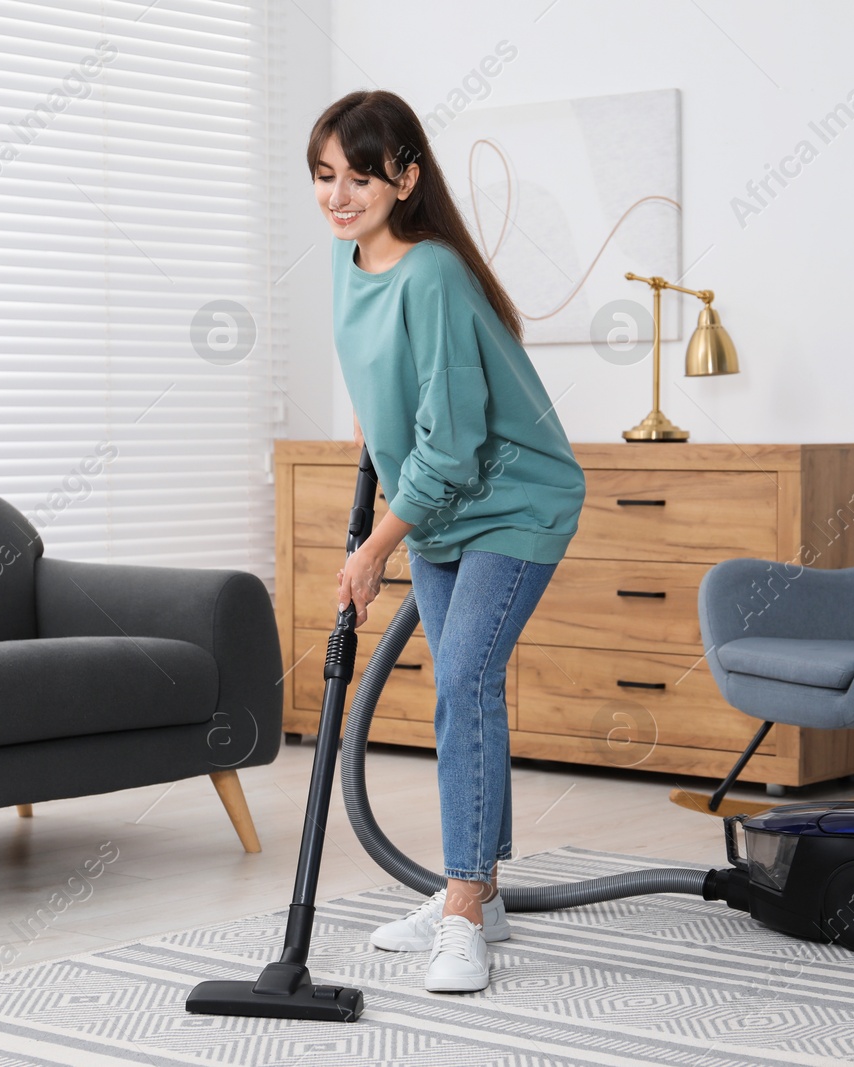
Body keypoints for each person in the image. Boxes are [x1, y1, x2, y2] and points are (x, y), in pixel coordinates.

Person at [309, 89, 586, 994]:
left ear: (406, 177)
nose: (340, 195)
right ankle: (487, 888)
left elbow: (458, 439)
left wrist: (377, 543)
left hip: (512, 502)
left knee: (464, 681)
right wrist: (380, 473)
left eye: (358, 176)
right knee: (466, 688)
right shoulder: (351, 265)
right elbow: (387, 390)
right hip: (437, 508)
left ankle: (461, 907)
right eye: (324, 177)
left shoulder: (432, 273)